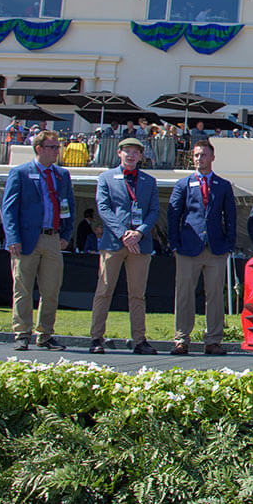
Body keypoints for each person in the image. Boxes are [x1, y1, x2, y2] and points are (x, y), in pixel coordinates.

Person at [0, 129, 75, 351]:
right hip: (25, 239)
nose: (56, 152)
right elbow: (9, 209)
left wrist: (66, 235)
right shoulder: (20, 173)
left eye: (57, 147)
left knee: (51, 289)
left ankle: (45, 334)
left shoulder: (62, 174)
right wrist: (12, 238)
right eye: (52, 147)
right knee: (22, 287)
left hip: (52, 238)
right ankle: (22, 333)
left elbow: (69, 205)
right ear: (39, 148)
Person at [90, 137, 161, 355]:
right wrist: (123, 234)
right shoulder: (106, 178)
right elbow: (103, 208)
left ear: (141, 156)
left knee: (137, 294)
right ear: (119, 153)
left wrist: (139, 232)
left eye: (135, 152)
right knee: (104, 291)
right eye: (127, 151)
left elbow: (154, 211)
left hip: (140, 244)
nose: (131, 155)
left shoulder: (149, 181)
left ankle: (139, 339)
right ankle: (96, 338)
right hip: (113, 242)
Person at [168, 140, 236, 355]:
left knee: (215, 295)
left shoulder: (223, 185)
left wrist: (229, 244)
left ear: (212, 158)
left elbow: (231, 217)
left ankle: (213, 340)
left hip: (215, 249)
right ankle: (181, 339)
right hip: (188, 248)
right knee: (184, 294)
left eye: (204, 155)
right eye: (196, 155)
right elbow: (173, 215)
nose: (199, 159)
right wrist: (174, 244)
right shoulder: (183, 184)